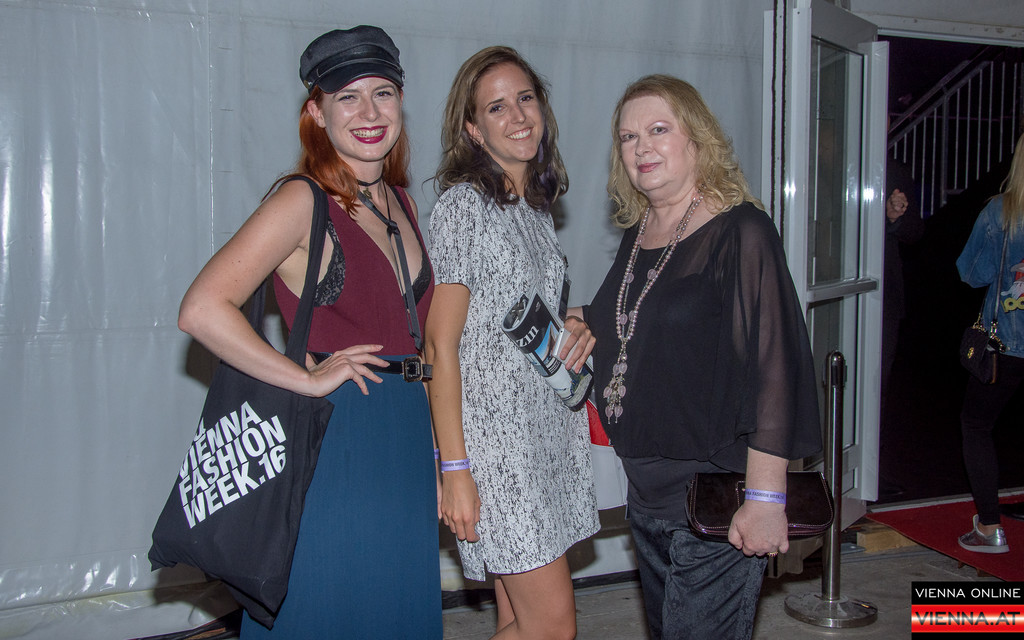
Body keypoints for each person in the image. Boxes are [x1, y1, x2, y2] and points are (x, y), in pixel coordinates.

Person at [177, 26, 441, 638]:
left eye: (382, 93)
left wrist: (432, 455)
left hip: (403, 438)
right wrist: (304, 377)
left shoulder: (401, 203)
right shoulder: (302, 201)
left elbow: (415, 338)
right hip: (335, 441)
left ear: (401, 101)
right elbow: (202, 308)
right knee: (327, 606)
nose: (369, 112)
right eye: (347, 97)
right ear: (317, 113)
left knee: (395, 610)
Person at [586, 75, 822, 640]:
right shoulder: (641, 232)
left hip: (715, 501)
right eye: (628, 137)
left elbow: (775, 366)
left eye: (658, 130)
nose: (641, 147)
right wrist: (575, 322)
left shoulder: (740, 229)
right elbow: (634, 321)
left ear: (697, 139)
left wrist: (764, 498)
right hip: (646, 500)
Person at [424, 46, 600, 639]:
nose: (518, 115)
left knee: (520, 620)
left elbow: (509, 316)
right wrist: (455, 468)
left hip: (543, 431)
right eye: (496, 107)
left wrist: (572, 325)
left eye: (525, 98)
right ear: (473, 129)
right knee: (553, 628)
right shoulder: (463, 207)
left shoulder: (535, 209)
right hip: (498, 451)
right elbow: (439, 346)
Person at [955, 132, 1024, 554]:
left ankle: (989, 528)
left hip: (1008, 345)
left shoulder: (1001, 212)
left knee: (976, 426)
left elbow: (971, 273)